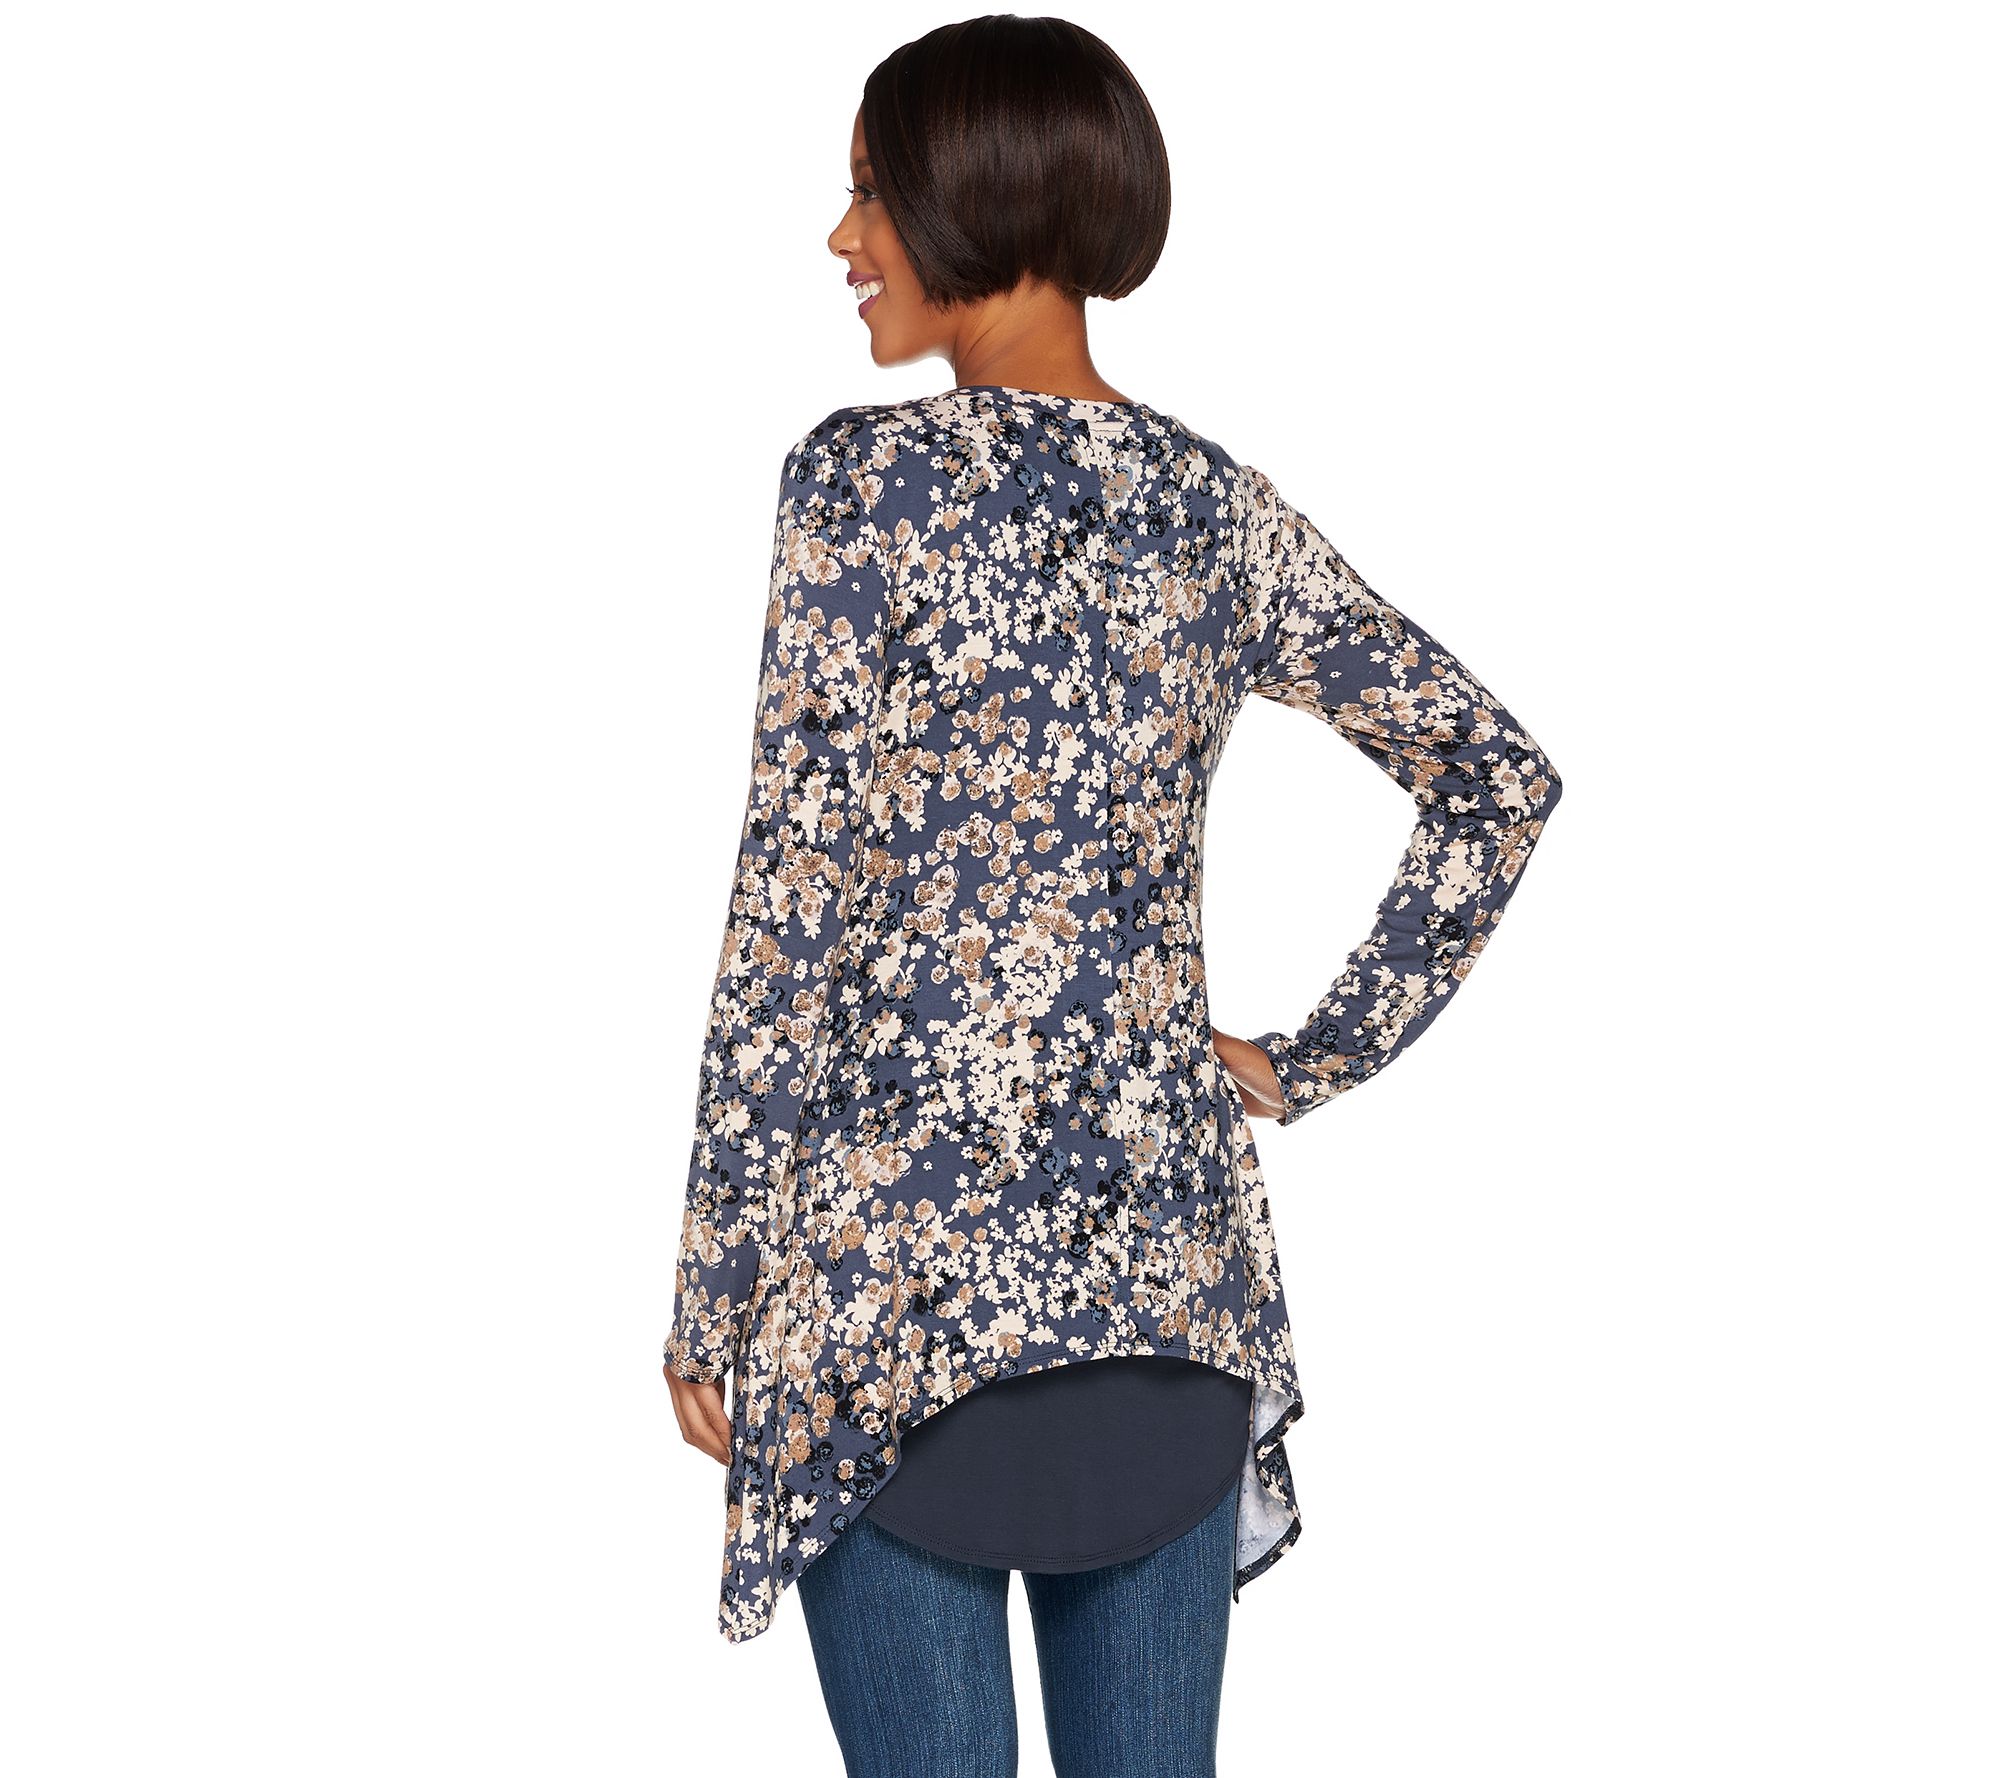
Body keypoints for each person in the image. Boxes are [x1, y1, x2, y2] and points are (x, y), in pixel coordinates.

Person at [662, 15, 1564, 1776]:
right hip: (1166, 1286)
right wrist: (1306, 1058)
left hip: (893, 1299)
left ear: (975, 193)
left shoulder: (864, 484)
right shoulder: (1213, 513)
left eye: (870, 192)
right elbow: (1495, 774)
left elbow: (790, 906)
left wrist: (715, 1283)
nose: (843, 237)